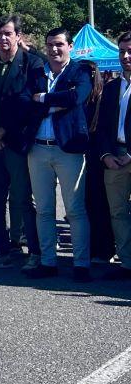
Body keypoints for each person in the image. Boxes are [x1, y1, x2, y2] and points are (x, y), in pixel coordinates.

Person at [0, 15, 42, 271]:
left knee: (23, 200)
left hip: (15, 142)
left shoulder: (32, 63)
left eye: (8, 33)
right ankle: (1, 250)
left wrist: (2, 132)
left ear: (18, 36)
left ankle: (34, 251)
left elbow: (29, 104)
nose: (3, 38)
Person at [24, 28, 93, 281]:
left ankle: (81, 264)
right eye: (50, 45)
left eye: (60, 44)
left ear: (70, 46)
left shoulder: (80, 70)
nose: (54, 49)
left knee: (75, 209)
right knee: (43, 209)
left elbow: (77, 97)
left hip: (69, 149)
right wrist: (54, 102)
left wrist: (44, 98)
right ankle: (48, 262)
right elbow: (26, 102)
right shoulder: (37, 72)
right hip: (38, 148)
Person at [95, 32, 131, 279]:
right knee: (117, 212)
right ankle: (127, 263)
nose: (125, 56)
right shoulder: (110, 88)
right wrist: (106, 153)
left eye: (129, 51)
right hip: (114, 158)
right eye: (122, 51)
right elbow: (102, 126)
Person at [80, 59, 114, 268]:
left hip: (97, 155)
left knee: (100, 204)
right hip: (82, 154)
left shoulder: (102, 96)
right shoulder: (80, 96)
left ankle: (104, 249)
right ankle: (92, 247)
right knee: (86, 204)